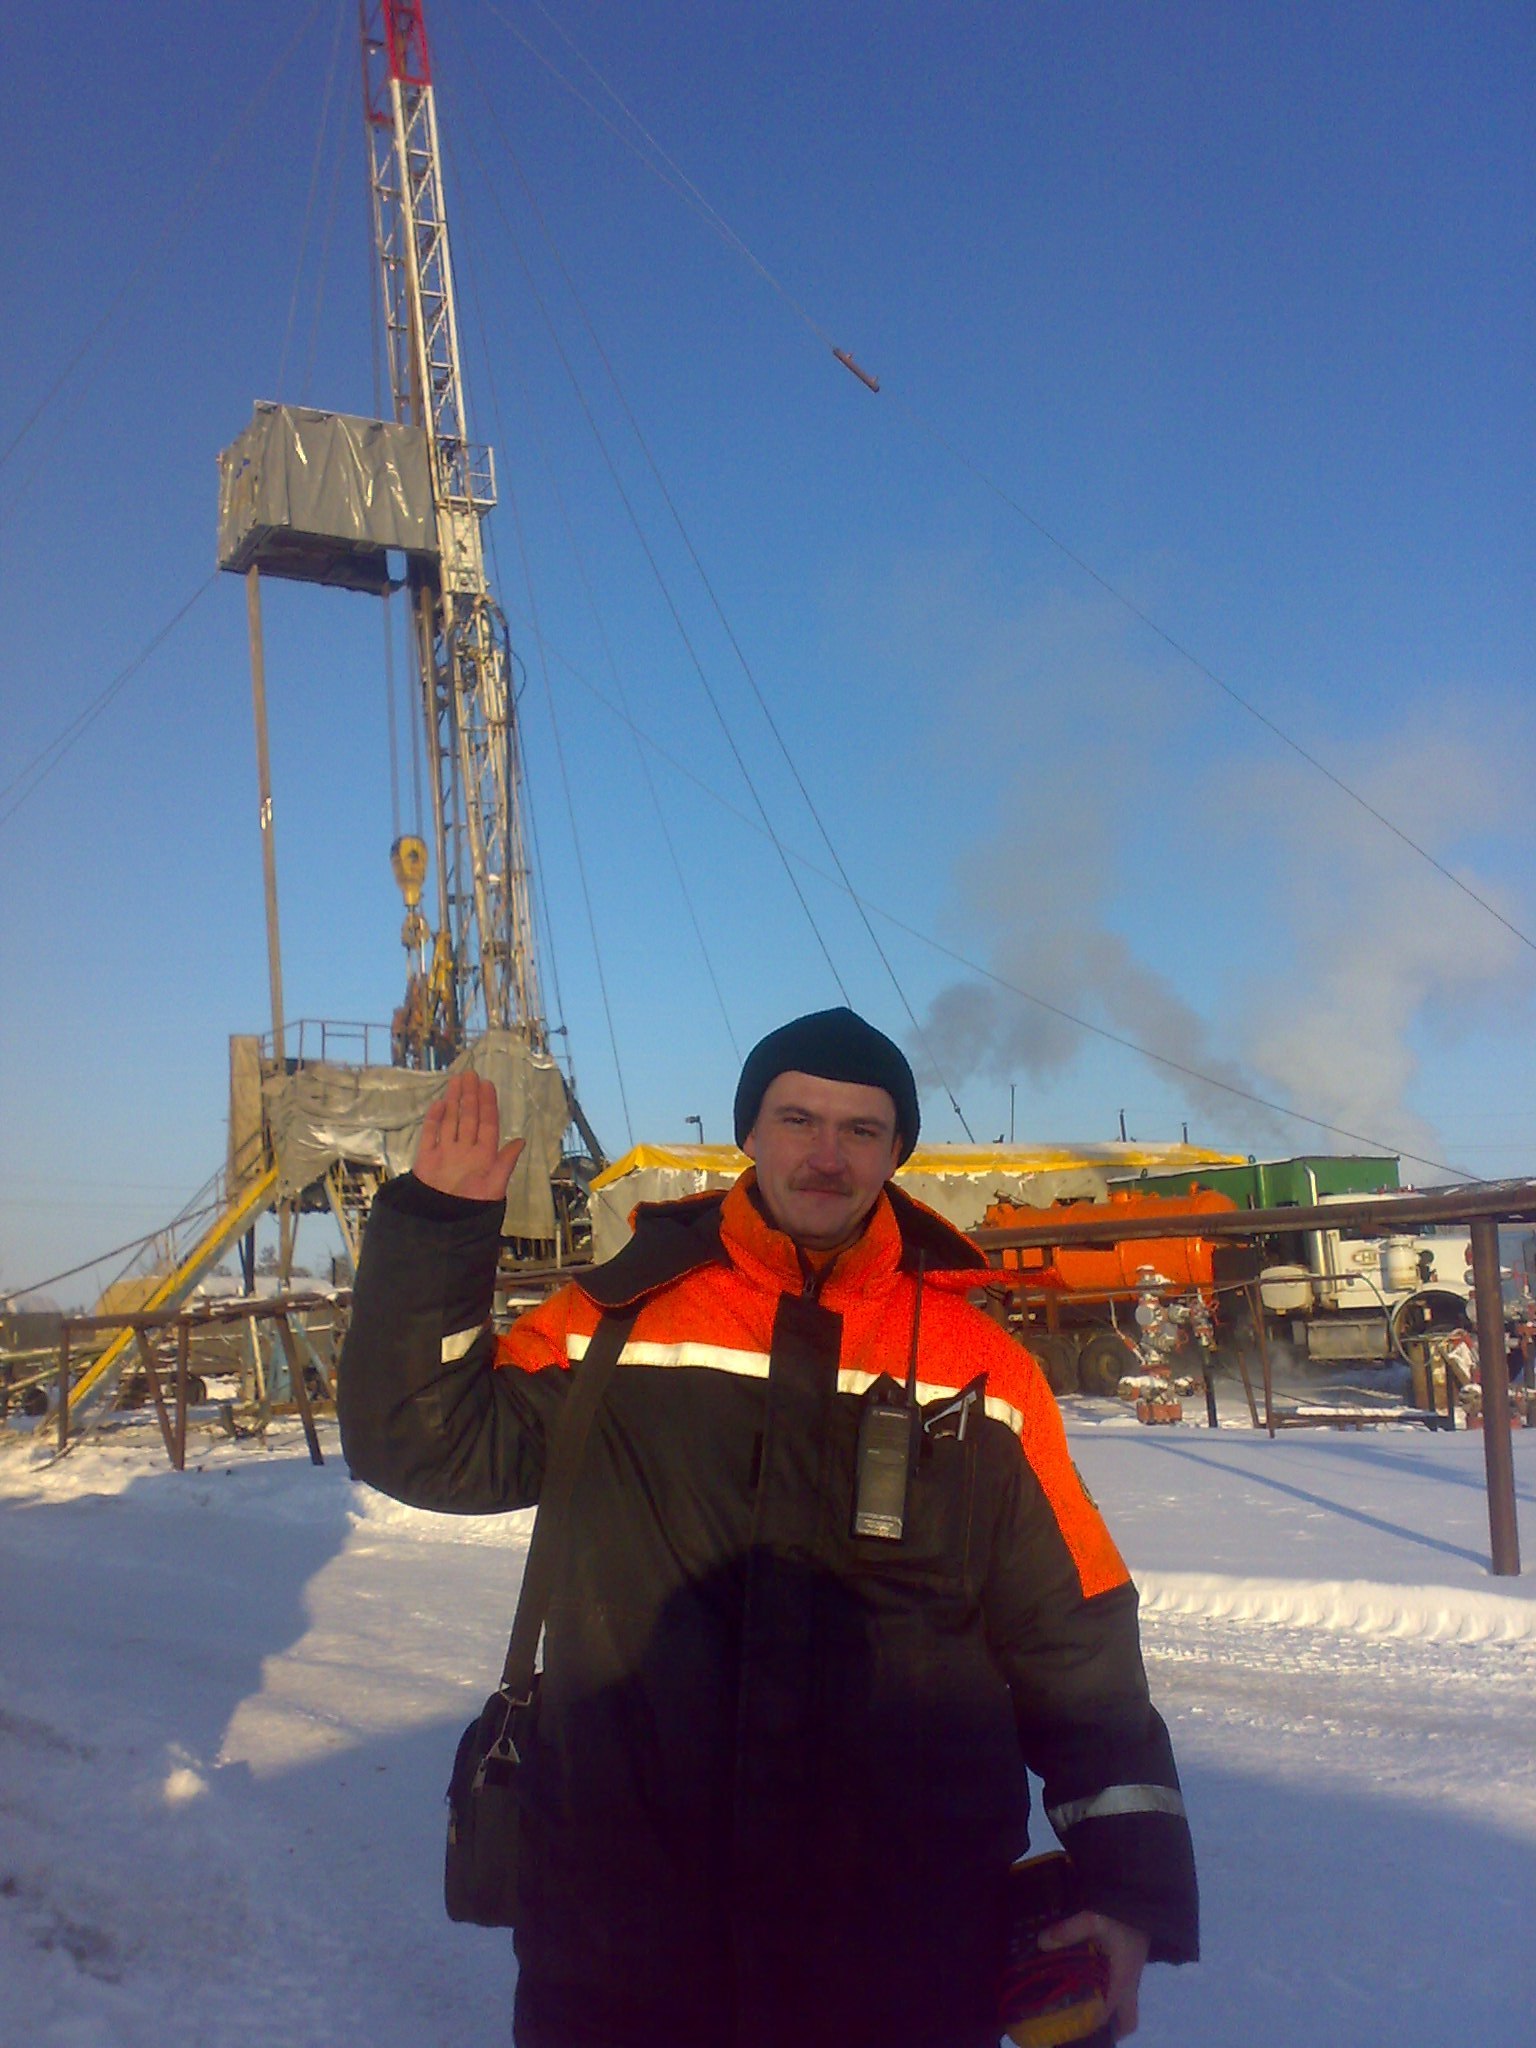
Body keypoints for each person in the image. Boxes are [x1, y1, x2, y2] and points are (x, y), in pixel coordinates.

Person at [339, 1007, 1198, 2048]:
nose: (827, 1154)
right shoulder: (616, 1324)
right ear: (749, 1131)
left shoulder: (985, 1372)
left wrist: (1126, 1885)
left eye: (861, 1129)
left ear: (896, 1150)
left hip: (900, 1950)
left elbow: (1078, 1642)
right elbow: (424, 1444)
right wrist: (437, 1230)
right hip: (625, 1936)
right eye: (798, 1119)